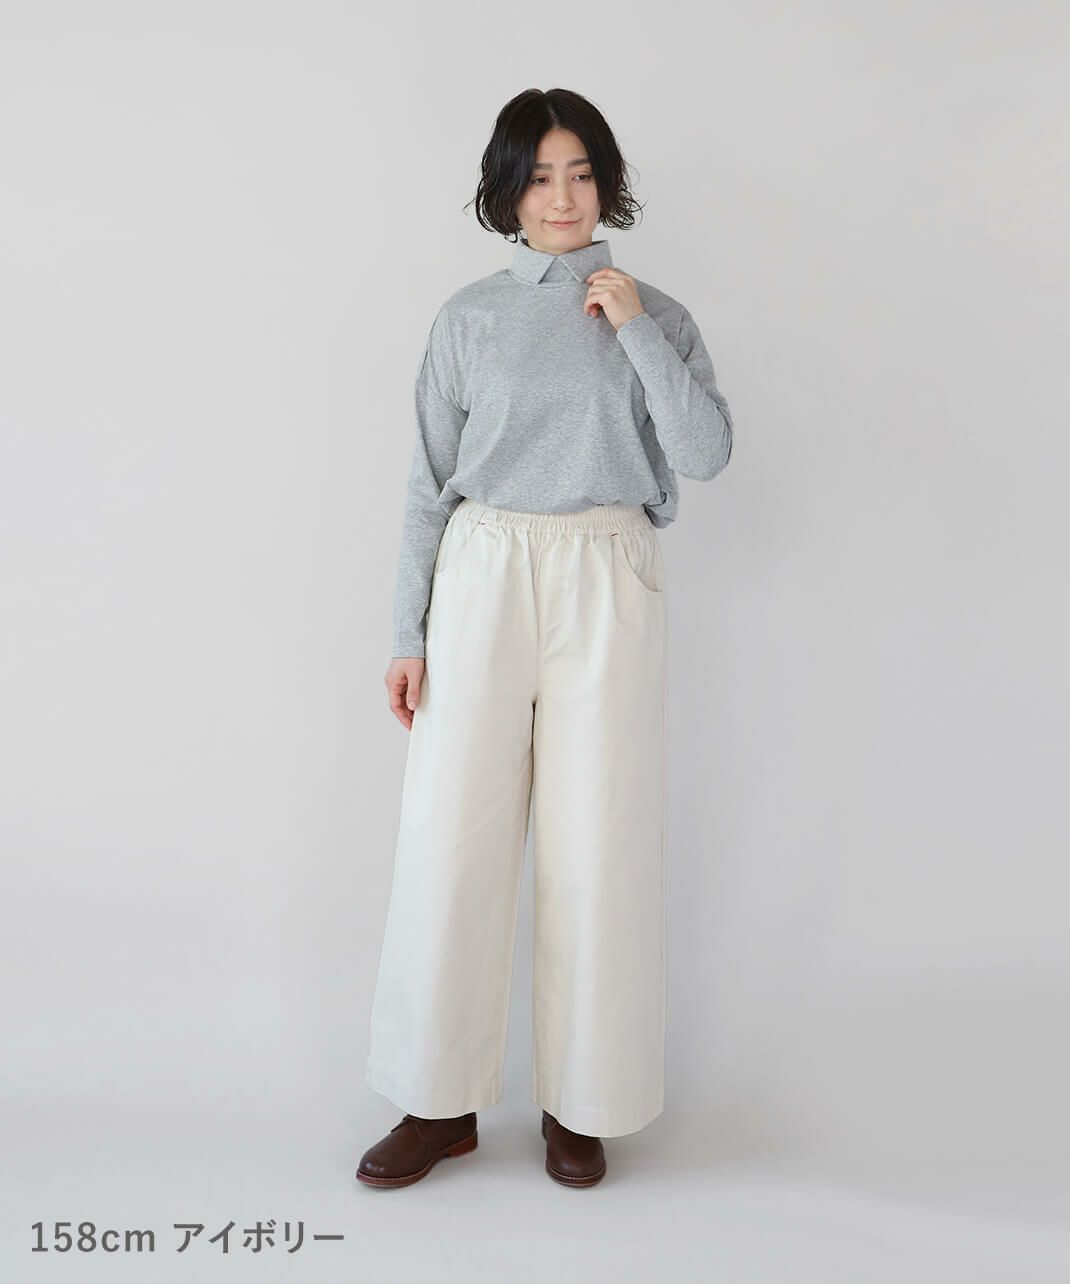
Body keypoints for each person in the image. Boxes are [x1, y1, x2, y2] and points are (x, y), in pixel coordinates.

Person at [356, 87, 733, 1189]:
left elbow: (705, 453)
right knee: (451, 834)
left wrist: (631, 327)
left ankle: (584, 1102)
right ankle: (437, 1102)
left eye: (579, 173)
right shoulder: (467, 318)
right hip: (483, 571)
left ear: (606, 183)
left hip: (607, 570)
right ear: (505, 192)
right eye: (537, 177)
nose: (561, 198)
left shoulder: (657, 313)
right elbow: (427, 484)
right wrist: (407, 631)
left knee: (597, 840)